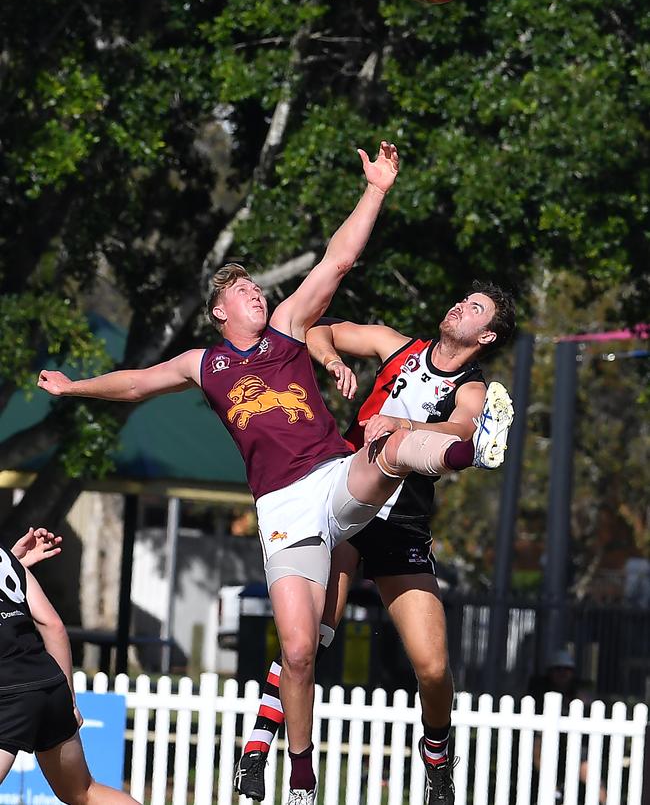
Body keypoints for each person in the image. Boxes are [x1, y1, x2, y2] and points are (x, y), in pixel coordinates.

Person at [37, 141, 513, 805]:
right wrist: (74, 386)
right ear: (219, 312)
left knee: (390, 449)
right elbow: (138, 382)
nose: (255, 293)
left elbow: (338, 260)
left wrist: (375, 188)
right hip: (283, 509)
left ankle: (462, 452)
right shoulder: (205, 362)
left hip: (343, 480)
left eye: (255, 286)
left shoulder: (288, 329)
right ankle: (296, 775)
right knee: (299, 647)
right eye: (242, 290)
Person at [234, 283, 515, 805]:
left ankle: (436, 759)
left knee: (433, 668)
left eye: (475, 308)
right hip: (343, 497)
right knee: (311, 635)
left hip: (401, 522)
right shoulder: (396, 345)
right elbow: (320, 330)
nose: (459, 305)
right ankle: (257, 748)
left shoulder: (473, 387)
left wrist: (402, 422)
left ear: (487, 334)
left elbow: (459, 425)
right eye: (462, 298)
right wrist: (332, 361)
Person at [0, 535, 140, 805]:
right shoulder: (6, 559)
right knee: (83, 792)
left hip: (7, 692)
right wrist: (69, 701)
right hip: (48, 682)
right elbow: (53, 625)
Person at [529, 649, 606, 804]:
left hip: (575, 746)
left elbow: (591, 705)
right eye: (558, 669)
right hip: (546, 744)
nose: (562, 673)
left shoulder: (579, 691)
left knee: (594, 781)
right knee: (537, 746)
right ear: (550, 672)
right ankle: (553, 789)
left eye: (567, 670)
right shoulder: (538, 690)